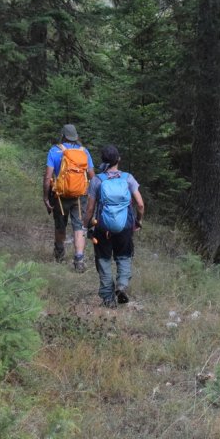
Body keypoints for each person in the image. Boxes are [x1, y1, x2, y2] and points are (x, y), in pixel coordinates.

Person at [85, 144, 145, 308]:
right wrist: (138, 221)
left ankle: (108, 298)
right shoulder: (128, 178)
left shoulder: (97, 180)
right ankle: (122, 285)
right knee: (124, 256)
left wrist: (86, 225)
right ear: (118, 159)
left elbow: (90, 208)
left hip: (102, 227)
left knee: (103, 259)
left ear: (103, 161)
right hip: (125, 225)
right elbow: (140, 204)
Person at [44, 124, 94, 271]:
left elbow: (48, 177)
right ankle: (79, 259)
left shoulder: (55, 151)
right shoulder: (84, 152)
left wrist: (46, 198)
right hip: (80, 196)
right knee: (79, 226)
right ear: (76, 136)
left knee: (60, 225)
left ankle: (59, 255)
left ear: (63, 135)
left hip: (60, 195)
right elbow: (92, 176)